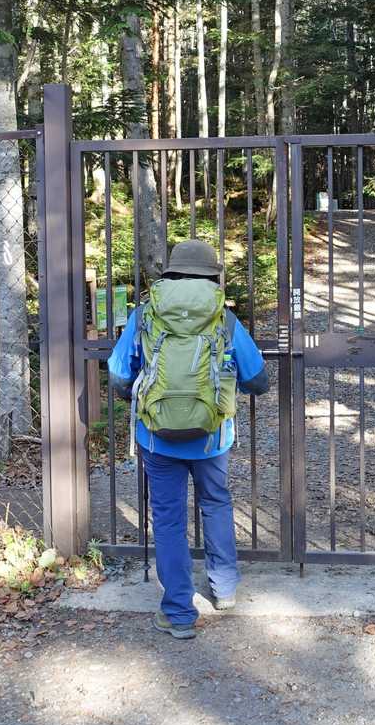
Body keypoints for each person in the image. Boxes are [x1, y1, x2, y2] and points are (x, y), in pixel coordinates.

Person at [108, 239, 270, 639]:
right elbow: (258, 379)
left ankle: (179, 612)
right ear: (212, 275)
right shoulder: (223, 318)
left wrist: (147, 395)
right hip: (212, 437)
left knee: (168, 518)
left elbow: (119, 376)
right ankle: (224, 588)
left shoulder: (145, 314)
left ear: (172, 272)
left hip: (156, 437)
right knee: (215, 503)